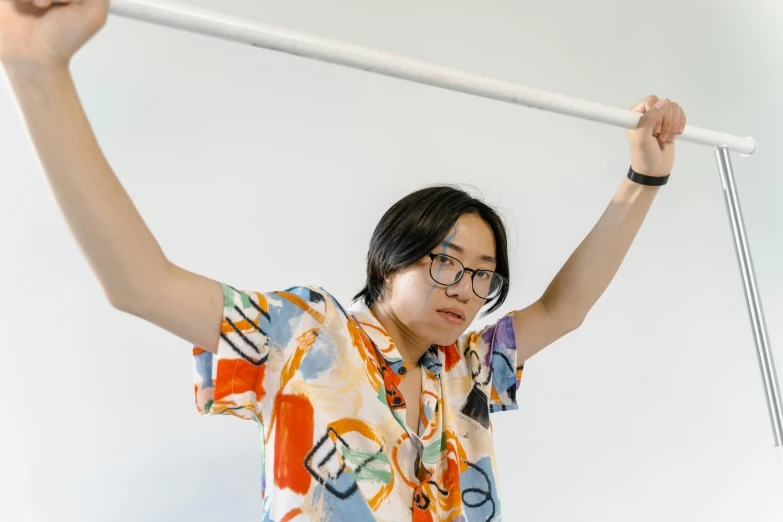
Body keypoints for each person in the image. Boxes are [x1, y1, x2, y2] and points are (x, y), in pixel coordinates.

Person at [0, 0, 687, 520]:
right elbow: (140, 284)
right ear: (390, 262)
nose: (465, 289)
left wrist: (642, 179)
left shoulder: (467, 371)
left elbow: (563, 309)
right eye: (445, 263)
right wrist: (38, 70)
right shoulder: (304, 337)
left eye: (483, 276)